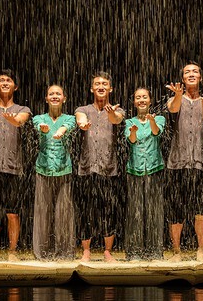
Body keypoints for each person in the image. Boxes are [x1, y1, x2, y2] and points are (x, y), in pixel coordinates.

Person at [165, 62, 203, 262]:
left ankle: (201, 251)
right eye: (187, 72)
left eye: (195, 71)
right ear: (183, 78)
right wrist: (178, 95)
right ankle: (177, 252)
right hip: (177, 162)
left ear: (201, 78)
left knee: (201, 208)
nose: (192, 74)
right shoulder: (174, 98)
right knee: (176, 208)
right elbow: (173, 109)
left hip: (200, 162)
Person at [0, 69, 31, 261]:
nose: (5, 83)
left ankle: (12, 252)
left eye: (8, 80)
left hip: (14, 167)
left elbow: (19, 122)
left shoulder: (22, 109)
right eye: (1, 80)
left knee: (12, 212)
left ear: (15, 86)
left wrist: (12, 118)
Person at [74, 71, 125, 262]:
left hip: (108, 168)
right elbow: (79, 119)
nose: (101, 86)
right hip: (86, 168)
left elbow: (117, 119)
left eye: (105, 84)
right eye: (97, 84)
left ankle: (107, 251)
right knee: (86, 209)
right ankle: (86, 251)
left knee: (109, 210)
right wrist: (83, 124)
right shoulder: (83, 109)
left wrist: (112, 115)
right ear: (92, 89)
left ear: (110, 89)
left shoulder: (117, 110)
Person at [32, 84, 77, 260]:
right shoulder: (39, 118)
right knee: (43, 212)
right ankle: (43, 252)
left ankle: (64, 252)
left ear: (64, 98)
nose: (55, 96)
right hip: (43, 169)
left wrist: (61, 130)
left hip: (63, 170)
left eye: (58, 94)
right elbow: (39, 125)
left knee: (63, 213)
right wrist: (44, 128)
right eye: (51, 94)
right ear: (46, 98)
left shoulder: (70, 118)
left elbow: (68, 125)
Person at [124, 88, 166, 260]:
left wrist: (152, 122)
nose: (141, 100)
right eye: (138, 98)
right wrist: (133, 131)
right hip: (135, 170)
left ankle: (155, 251)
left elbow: (156, 132)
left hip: (154, 169)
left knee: (154, 211)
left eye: (144, 97)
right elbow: (131, 140)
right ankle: (134, 252)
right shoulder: (129, 122)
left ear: (150, 101)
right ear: (134, 102)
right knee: (136, 212)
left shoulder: (159, 118)